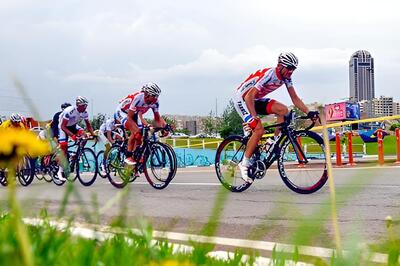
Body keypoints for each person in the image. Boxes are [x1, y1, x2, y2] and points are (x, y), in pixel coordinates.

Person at [233, 52, 319, 183]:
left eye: (293, 69)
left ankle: (273, 140)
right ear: (280, 66)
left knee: (284, 110)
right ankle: (244, 164)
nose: (291, 71)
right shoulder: (270, 74)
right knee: (259, 129)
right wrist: (255, 118)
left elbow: (295, 99)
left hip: (254, 99)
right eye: (289, 68)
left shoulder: (286, 77)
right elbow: (249, 97)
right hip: (243, 99)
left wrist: (309, 112)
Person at [122, 83, 167, 165]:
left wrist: (163, 128)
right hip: (123, 113)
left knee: (141, 136)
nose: (155, 98)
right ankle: (128, 156)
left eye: (157, 96)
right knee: (136, 132)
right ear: (146, 94)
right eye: (153, 96)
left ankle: (135, 158)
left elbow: (157, 118)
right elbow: (129, 118)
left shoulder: (155, 102)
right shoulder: (138, 98)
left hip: (136, 114)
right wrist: (137, 130)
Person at [57, 96, 96, 180]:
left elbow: (88, 125)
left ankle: (75, 154)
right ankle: (60, 171)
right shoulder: (69, 111)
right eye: (84, 105)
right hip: (63, 127)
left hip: (73, 126)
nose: (86, 107)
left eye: (86, 105)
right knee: (64, 146)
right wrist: (73, 136)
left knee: (84, 136)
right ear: (78, 105)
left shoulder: (84, 113)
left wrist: (93, 135)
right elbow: (63, 126)